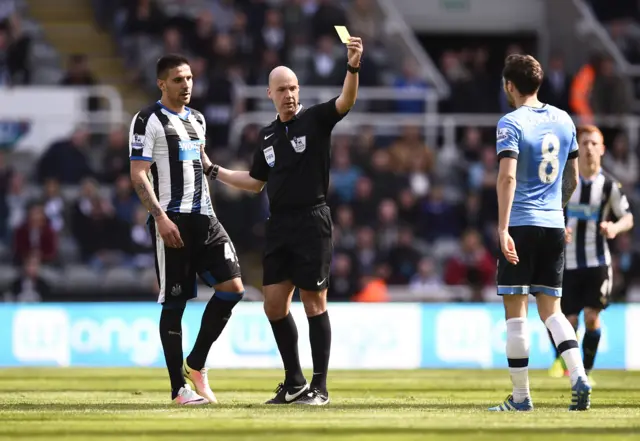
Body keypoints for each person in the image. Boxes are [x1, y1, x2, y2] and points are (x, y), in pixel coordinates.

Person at [200, 36, 363, 406]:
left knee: (314, 303)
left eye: (293, 88)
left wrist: (352, 66)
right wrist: (214, 170)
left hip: (312, 221)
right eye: (282, 89)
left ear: (298, 90)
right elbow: (256, 183)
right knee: (273, 305)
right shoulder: (267, 135)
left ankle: (319, 388)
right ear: (269, 94)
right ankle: (293, 381)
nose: (289, 94)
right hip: (280, 225)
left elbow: (347, 101)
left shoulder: (317, 118)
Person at [129, 54, 245, 405]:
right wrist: (160, 217)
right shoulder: (147, 119)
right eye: (179, 79)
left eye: (190, 78)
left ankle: (196, 363)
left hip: (206, 217)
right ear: (162, 83)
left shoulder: (198, 119)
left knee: (233, 289)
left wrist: (231, 177)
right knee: (175, 302)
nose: (187, 85)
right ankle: (178, 390)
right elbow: (138, 174)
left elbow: (201, 162)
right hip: (173, 220)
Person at [489, 54, 592, 412]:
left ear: (509, 86)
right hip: (553, 225)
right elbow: (574, 177)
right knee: (553, 312)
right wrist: (558, 211)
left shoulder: (510, 123)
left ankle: (521, 398)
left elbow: (508, 177)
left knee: (516, 315)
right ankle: (579, 375)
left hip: (520, 224)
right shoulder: (564, 120)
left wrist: (503, 229)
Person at [548, 125, 633, 382]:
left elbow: (628, 217)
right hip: (567, 262)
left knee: (592, 318)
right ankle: (562, 362)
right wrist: (558, 229)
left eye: (594, 144)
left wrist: (614, 227)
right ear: (577, 148)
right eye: (584, 143)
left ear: (602, 149)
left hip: (597, 261)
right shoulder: (564, 182)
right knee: (568, 321)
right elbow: (547, 211)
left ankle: (584, 372)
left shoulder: (609, 186)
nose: (589, 149)